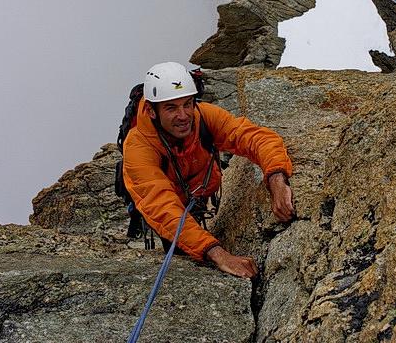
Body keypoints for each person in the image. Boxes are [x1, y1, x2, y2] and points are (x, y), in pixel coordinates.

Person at [122, 61, 295, 278]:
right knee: (179, 257)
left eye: (187, 103)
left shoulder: (204, 116)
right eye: (171, 107)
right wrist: (218, 254)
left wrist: (276, 179)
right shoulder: (138, 147)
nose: (184, 115)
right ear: (151, 110)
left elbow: (255, 138)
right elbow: (163, 207)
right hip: (170, 204)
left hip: (196, 192)